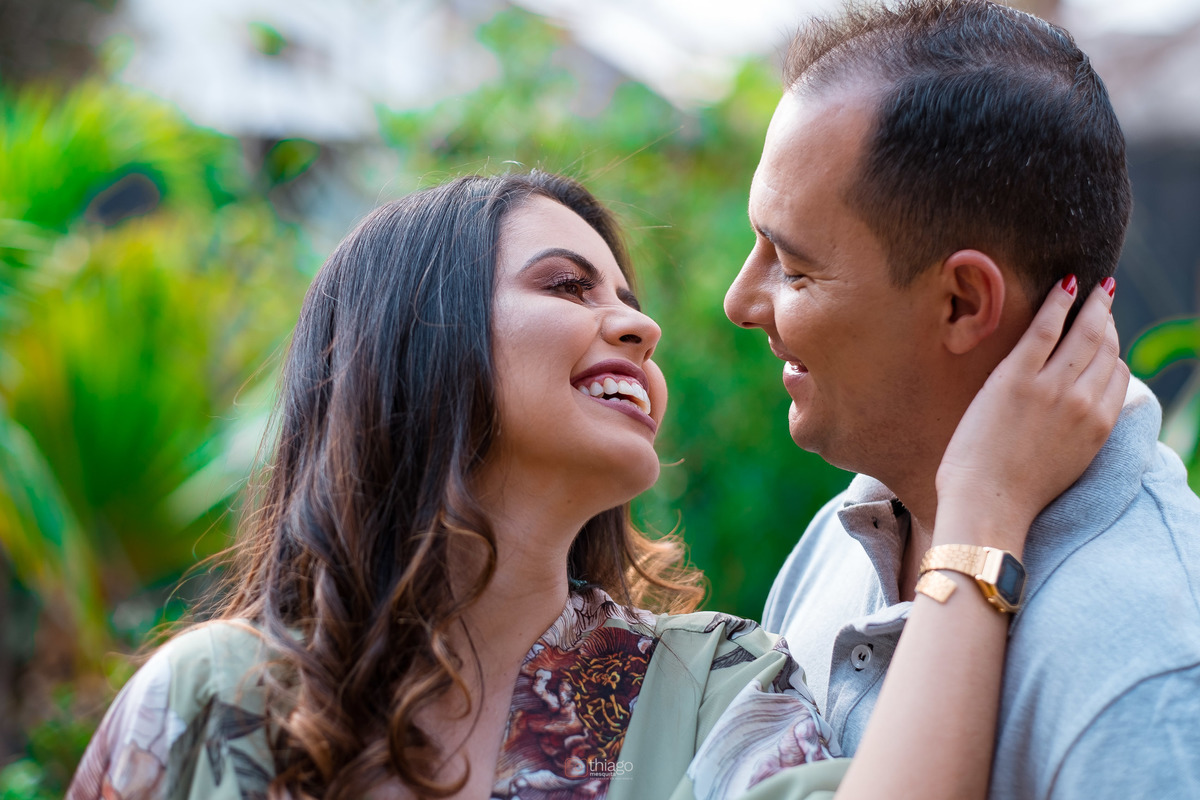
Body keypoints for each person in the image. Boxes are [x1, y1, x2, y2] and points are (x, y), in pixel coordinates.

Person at [66, 170, 1122, 800]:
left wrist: (979, 504)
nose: (643, 323)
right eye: (567, 286)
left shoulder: (710, 685)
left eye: (628, 297)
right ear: (415, 342)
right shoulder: (217, 701)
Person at [723, 1, 1200, 798]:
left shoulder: (1149, 669)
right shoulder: (848, 532)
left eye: (794, 268)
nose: (741, 301)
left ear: (962, 303)